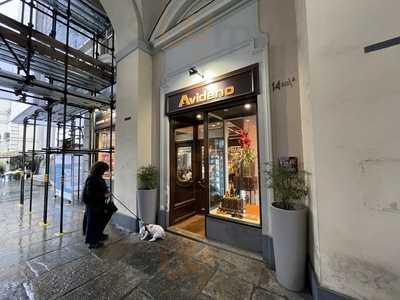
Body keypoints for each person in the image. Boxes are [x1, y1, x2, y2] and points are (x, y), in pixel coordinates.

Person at [82, 161, 110, 249]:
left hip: (99, 203)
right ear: (99, 169)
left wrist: (106, 191)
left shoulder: (98, 177)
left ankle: (98, 235)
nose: (104, 172)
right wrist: (104, 194)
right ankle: (92, 242)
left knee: (99, 220)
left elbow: (100, 187)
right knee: (92, 222)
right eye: (104, 170)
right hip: (93, 204)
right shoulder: (91, 178)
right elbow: (91, 193)